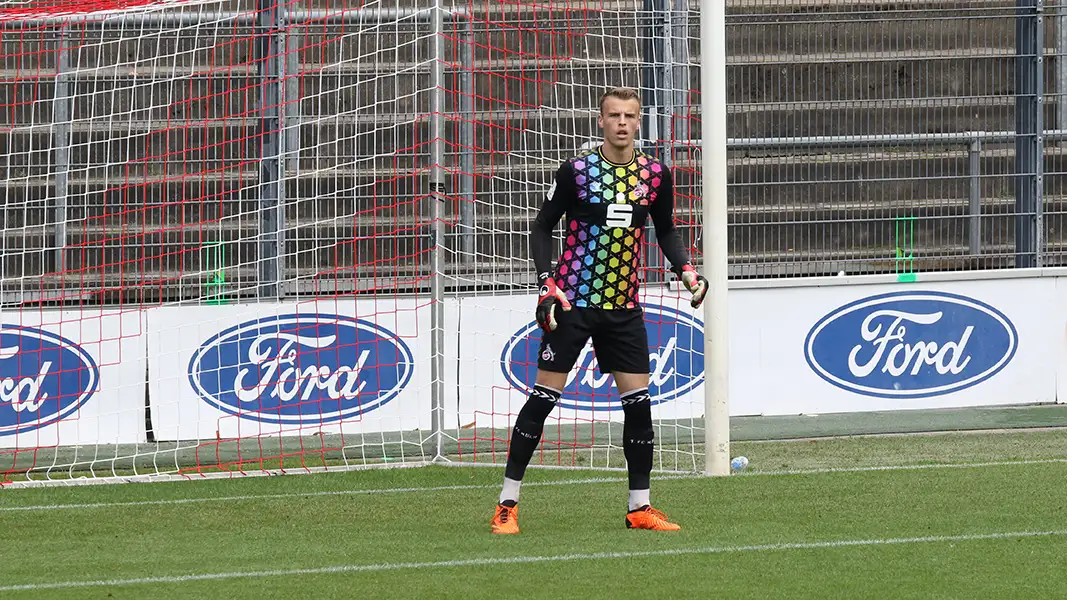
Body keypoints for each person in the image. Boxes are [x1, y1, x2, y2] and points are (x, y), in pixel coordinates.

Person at [490, 86, 708, 534]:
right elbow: (541, 226)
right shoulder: (576, 172)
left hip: (624, 306)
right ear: (601, 120)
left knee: (639, 406)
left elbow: (665, 230)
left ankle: (639, 508)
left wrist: (685, 268)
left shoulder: (655, 175)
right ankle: (507, 504)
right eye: (614, 115)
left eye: (630, 115)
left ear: (638, 122)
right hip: (572, 302)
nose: (623, 123)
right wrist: (545, 283)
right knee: (542, 400)